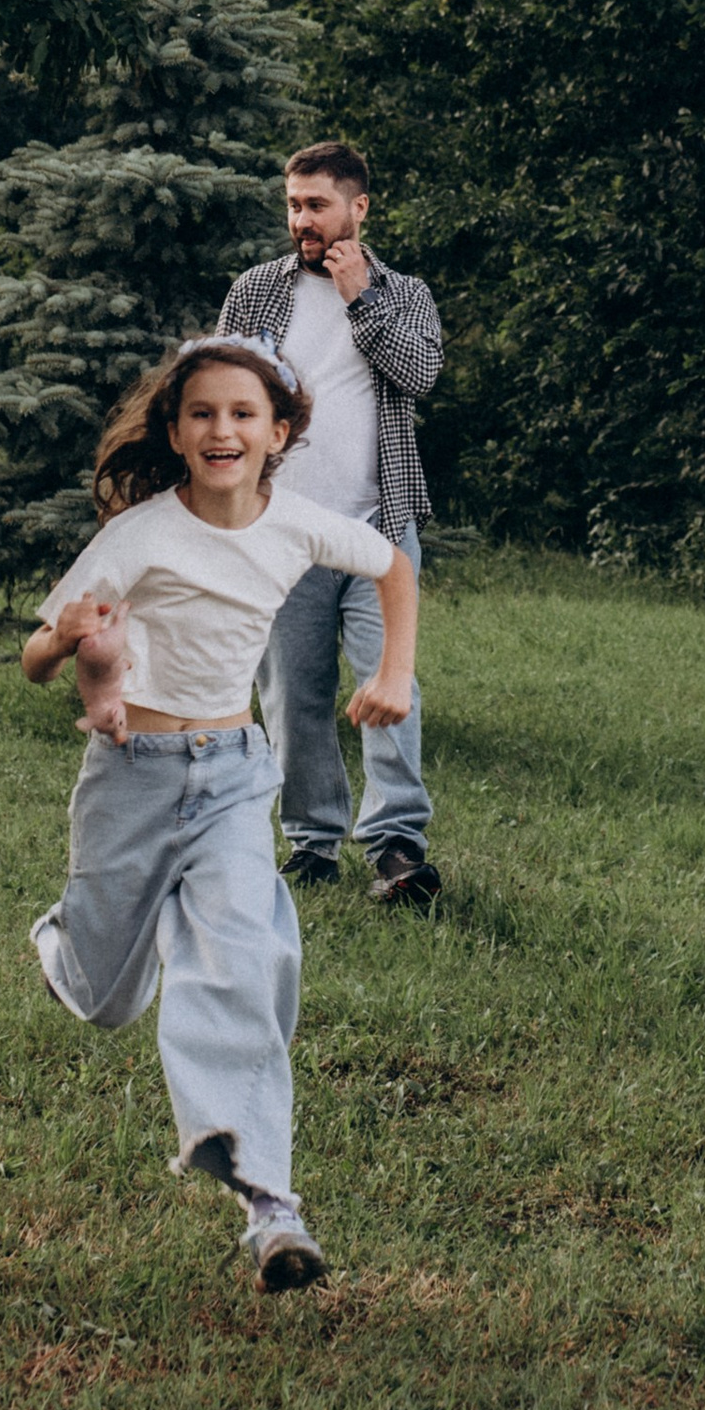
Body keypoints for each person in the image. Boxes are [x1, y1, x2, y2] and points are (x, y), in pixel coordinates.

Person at [21, 335, 417, 1294]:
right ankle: (63, 942)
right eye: (201, 413)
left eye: (243, 414)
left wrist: (393, 671)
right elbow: (38, 655)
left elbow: (391, 564)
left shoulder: (298, 524)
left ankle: (267, 1201)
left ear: (279, 433)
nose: (222, 430)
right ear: (174, 430)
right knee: (107, 996)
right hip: (132, 776)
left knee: (243, 957)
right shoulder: (143, 534)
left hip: (238, 772)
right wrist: (68, 636)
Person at [219, 145, 446, 907]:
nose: (301, 221)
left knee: (391, 685)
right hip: (280, 530)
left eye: (317, 205)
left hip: (378, 528)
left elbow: (419, 374)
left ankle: (397, 849)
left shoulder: (403, 292)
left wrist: (360, 299)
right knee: (293, 695)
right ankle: (312, 845)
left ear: (359, 208)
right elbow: (219, 393)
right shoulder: (254, 293)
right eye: (293, 205)